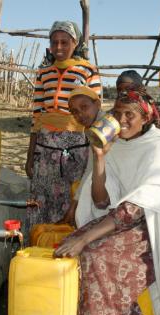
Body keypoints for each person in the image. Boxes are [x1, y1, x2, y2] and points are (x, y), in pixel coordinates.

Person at [54, 88, 160, 315]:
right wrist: (100, 158)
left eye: (129, 114)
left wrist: (84, 238)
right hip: (121, 221)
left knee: (96, 254)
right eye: (117, 113)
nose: (122, 120)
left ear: (146, 117)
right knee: (72, 250)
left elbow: (136, 208)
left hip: (156, 230)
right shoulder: (117, 146)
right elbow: (100, 200)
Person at [25, 21, 102, 229]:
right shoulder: (43, 73)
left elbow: (94, 110)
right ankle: (38, 246)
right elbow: (37, 115)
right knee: (42, 198)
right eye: (54, 42)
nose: (58, 47)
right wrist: (30, 154)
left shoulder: (88, 71)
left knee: (73, 197)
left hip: (77, 146)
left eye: (64, 42)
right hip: (45, 147)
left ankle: (69, 252)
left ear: (75, 43)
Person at [58, 86, 104, 225]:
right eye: (74, 112)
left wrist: (75, 205)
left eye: (84, 107)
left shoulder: (104, 127)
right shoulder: (92, 127)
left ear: (97, 104)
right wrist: (75, 203)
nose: (80, 115)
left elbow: (91, 170)